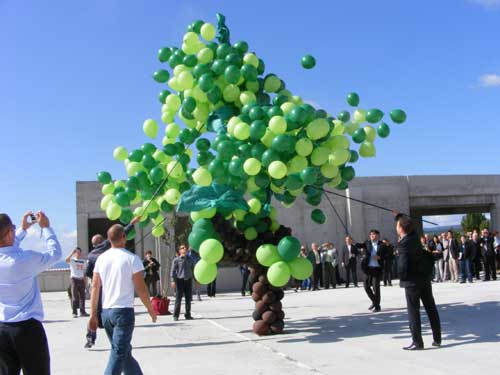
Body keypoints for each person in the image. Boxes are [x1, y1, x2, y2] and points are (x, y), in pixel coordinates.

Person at [89, 224, 156, 375]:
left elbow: (94, 287)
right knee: (118, 354)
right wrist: (150, 309)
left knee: (123, 352)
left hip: (106, 313)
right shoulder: (132, 258)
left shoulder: (101, 259)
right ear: (124, 237)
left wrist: (93, 314)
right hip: (123, 312)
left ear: (109, 239)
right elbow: (141, 288)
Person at [0, 211, 62, 375]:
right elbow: (55, 254)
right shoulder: (25, 259)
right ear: (9, 233)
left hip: (2, 328)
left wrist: (22, 229)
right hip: (27, 328)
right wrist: (46, 228)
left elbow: (7, 245)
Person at [83, 217, 139, 349]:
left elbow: (88, 273)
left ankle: (90, 337)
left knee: (94, 313)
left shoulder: (90, 256)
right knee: (112, 310)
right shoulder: (107, 247)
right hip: (110, 285)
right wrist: (132, 222)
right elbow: (121, 232)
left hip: (98, 286)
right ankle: (116, 339)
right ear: (103, 242)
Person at [395, 214, 441, 350]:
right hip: (424, 278)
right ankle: (437, 339)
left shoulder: (403, 244)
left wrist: (401, 276)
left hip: (411, 282)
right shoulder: (414, 237)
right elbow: (409, 226)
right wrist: (398, 216)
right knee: (431, 308)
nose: (396, 227)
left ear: (401, 229)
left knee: (413, 312)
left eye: (397, 225)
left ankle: (417, 342)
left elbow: (402, 266)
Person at [358, 229, 386, 312]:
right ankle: (375, 301)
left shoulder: (382, 245)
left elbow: (387, 254)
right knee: (366, 287)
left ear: (378, 235)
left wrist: (380, 257)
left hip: (377, 269)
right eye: (371, 234)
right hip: (368, 269)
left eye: (373, 234)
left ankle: (377, 306)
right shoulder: (367, 243)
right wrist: (353, 243)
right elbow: (359, 245)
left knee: (376, 287)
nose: (372, 236)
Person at [171, 244, 195, 320]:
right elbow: (173, 271)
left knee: (188, 299)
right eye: (182, 248)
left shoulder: (190, 259)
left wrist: (196, 280)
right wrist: (173, 281)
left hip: (188, 281)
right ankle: (175, 315)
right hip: (179, 281)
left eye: (185, 248)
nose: (184, 249)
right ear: (180, 251)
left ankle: (188, 314)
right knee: (178, 299)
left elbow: (193, 270)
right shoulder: (176, 260)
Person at [65, 247, 89, 318]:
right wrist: (72, 253)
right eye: (76, 252)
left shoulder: (83, 261)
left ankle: (82, 311)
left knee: (82, 297)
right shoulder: (72, 260)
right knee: (75, 297)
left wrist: (86, 283)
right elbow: (66, 260)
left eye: (79, 252)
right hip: (74, 279)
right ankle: (74, 312)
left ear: (80, 253)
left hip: (81, 279)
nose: (78, 254)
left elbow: (84, 272)